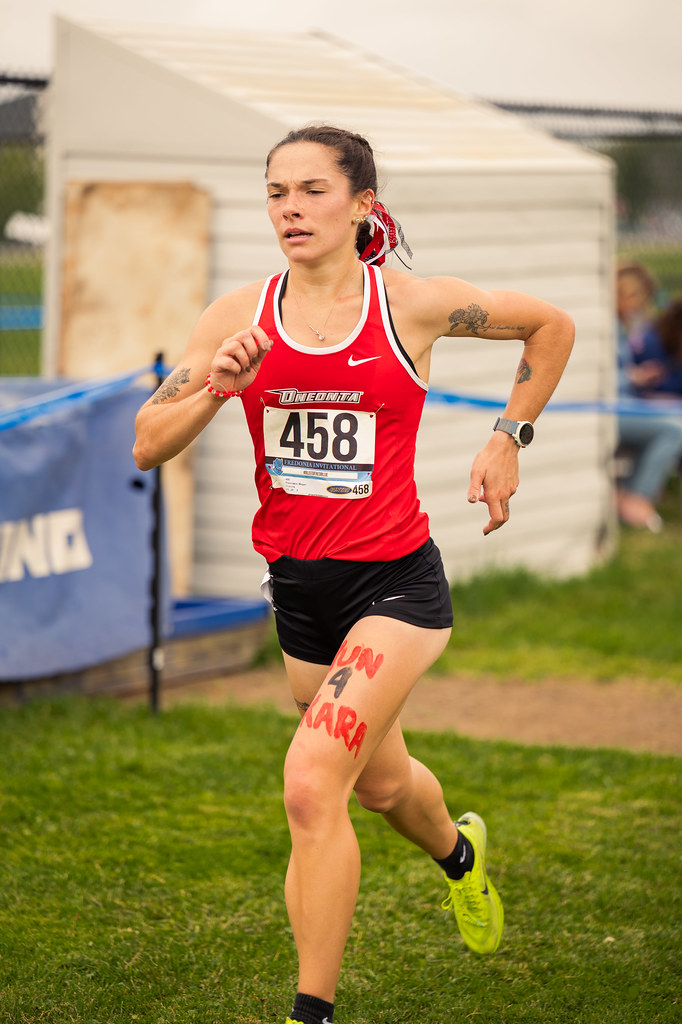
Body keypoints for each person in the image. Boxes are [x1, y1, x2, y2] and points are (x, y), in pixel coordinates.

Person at [133, 124, 574, 1024]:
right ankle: (459, 855)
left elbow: (550, 326)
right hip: (299, 592)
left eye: (311, 190)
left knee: (309, 783)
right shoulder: (237, 317)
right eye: (275, 193)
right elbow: (146, 442)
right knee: (377, 786)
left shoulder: (408, 304)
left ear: (361, 203)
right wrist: (218, 386)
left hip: (395, 588)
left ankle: (311, 1012)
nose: (290, 208)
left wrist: (508, 437)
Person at [615, 263, 682, 531]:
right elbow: (608, 381)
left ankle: (634, 497)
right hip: (615, 408)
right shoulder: (618, 330)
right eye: (636, 302)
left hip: (626, 403)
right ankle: (636, 501)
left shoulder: (619, 328)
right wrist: (635, 378)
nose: (637, 310)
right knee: (674, 430)